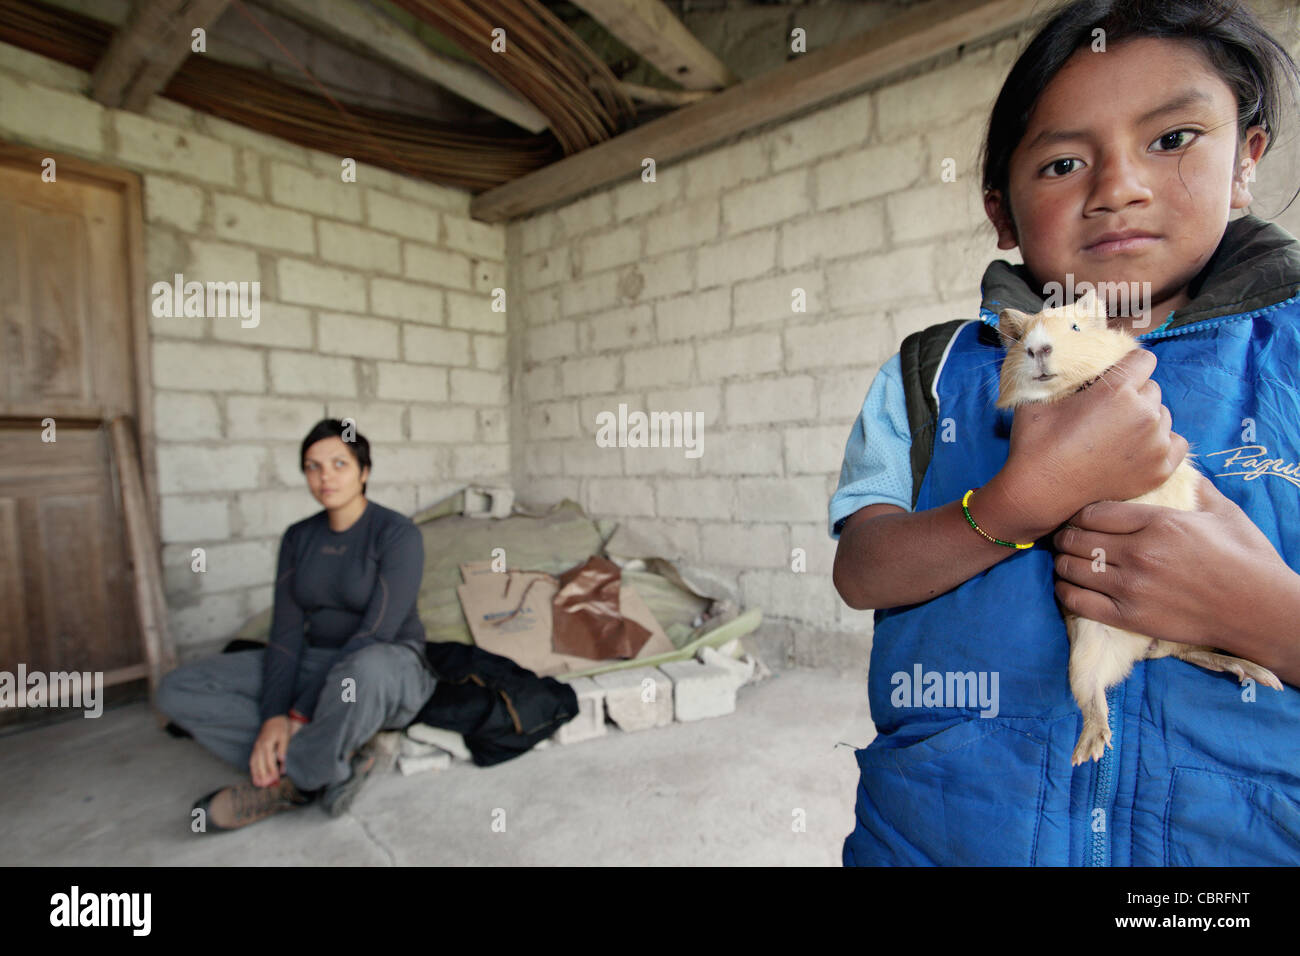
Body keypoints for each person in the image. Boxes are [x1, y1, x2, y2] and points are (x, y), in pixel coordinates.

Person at [830, 0, 1300, 865]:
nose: (1117, 185)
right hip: (944, 835)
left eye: (1171, 139)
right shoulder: (934, 373)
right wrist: (1013, 507)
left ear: (1246, 162)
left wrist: (1268, 617)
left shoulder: (1291, 362)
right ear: (1001, 212)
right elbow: (861, 571)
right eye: (1062, 161)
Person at [157, 419, 438, 832]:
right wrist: (274, 714)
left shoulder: (397, 534)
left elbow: (374, 634)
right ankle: (329, 760)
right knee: (176, 688)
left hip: (387, 669)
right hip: (318, 659)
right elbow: (286, 636)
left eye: (339, 464)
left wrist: (299, 711)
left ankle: (296, 783)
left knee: (360, 672)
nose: (325, 476)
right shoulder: (298, 537)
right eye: (313, 466)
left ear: (364, 472)